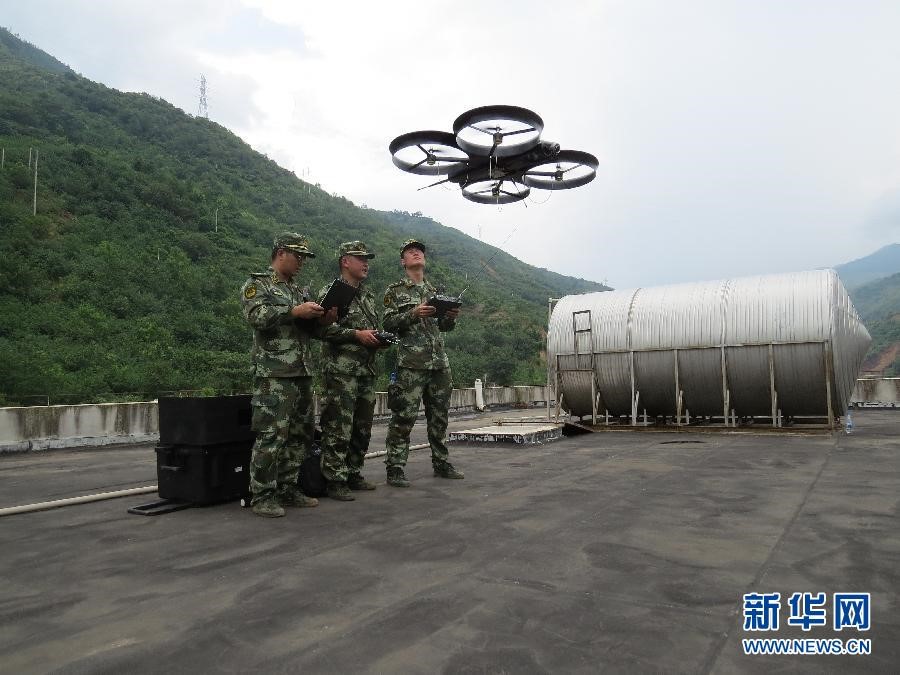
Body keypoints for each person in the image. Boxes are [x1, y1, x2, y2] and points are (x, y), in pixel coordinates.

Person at [240, 232, 336, 518]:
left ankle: (288, 488)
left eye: (304, 257)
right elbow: (256, 317)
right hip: (274, 374)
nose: (302, 262)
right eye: (298, 256)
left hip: (303, 372)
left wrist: (325, 319)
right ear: (281, 252)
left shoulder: (298, 290)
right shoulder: (258, 284)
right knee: (271, 434)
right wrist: (295, 311)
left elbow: (312, 332)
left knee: (301, 434)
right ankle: (262, 494)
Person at [382, 238, 464, 487]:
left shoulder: (434, 291)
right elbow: (387, 324)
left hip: (439, 364)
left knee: (439, 417)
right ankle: (395, 468)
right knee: (403, 418)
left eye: (419, 250)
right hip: (411, 364)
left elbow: (445, 328)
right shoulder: (395, 291)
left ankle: (441, 462)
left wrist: (450, 316)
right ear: (403, 261)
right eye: (410, 251)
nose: (416, 252)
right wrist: (412, 313)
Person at [317, 241, 383, 501]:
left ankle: (354, 472)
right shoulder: (331, 293)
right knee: (338, 427)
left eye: (367, 258)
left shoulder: (367, 296)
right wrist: (356, 335)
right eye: (360, 258)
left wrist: (379, 339)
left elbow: (371, 329)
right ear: (345, 261)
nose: (366, 263)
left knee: (362, 427)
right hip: (340, 371)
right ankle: (335, 480)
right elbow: (321, 331)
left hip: (366, 370)